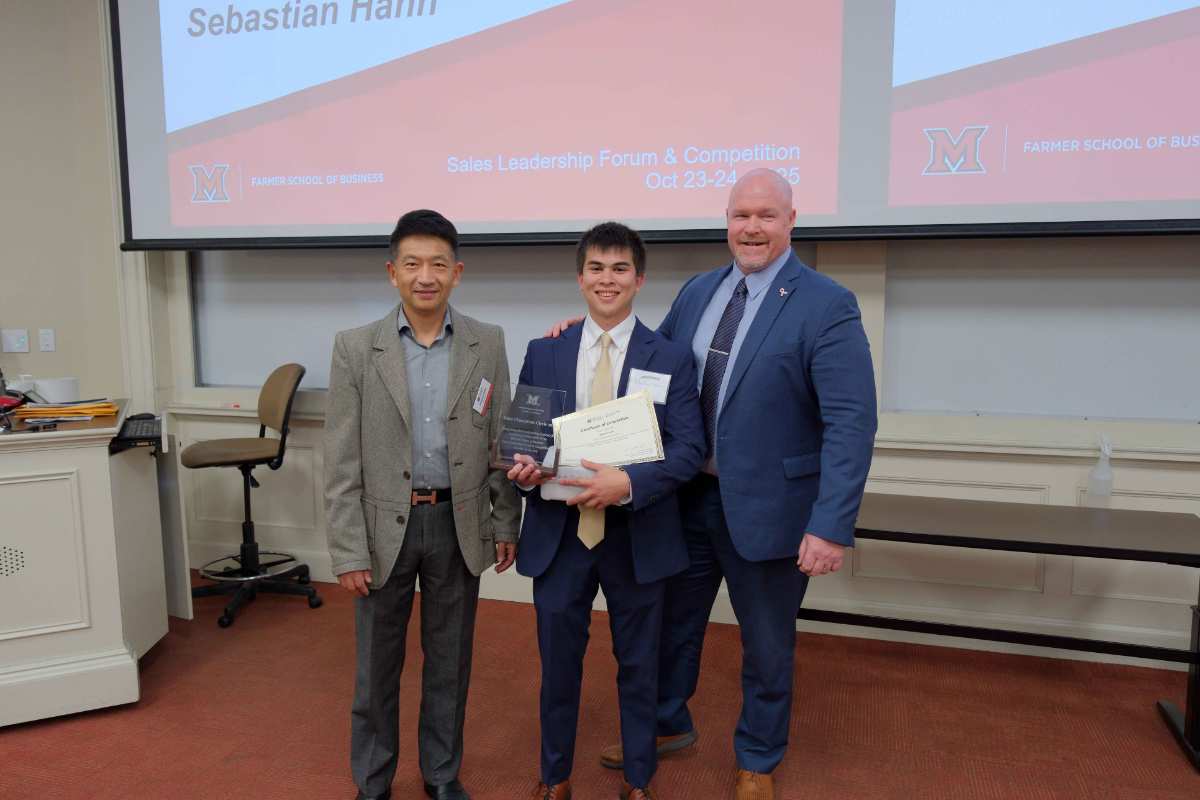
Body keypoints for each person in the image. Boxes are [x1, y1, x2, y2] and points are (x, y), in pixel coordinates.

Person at [551, 170, 877, 799]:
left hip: (772, 511)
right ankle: (669, 725)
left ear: (791, 221)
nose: (751, 228)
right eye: (739, 216)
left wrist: (830, 524)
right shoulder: (700, 292)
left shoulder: (826, 303)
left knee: (766, 644)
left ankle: (757, 758)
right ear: (726, 221)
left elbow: (851, 422)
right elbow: (645, 365)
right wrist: (586, 335)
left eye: (766, 215)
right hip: (685, 499)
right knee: (673, 627)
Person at [324, 209, 521, 800]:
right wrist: (348, 548)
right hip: (385, 528)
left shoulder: (488, 342)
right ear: (393, 272)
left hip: (457, 524)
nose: (425, 275)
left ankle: (440, 775)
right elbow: (340, 459)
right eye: (412, 264)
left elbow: (501, 439)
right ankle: (374, 780)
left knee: (450, 664)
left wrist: (505, 519)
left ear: (457, 272)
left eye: (438, 264)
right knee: (376, 670)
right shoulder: (357, 348)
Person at [508, 222, 706, 800]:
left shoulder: (670, 356)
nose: (607, 279)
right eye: (596, 268)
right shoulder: (544, 351)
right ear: (580, 277)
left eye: (620, 269)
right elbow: (526, 439)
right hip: (560, 536)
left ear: (639, 279)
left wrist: (630, 482)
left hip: (637, 534)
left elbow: (690, 449)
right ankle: (555, 778)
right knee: (558, 670)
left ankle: (639, 782)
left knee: (641, 667)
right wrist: (523, 470)